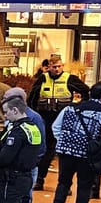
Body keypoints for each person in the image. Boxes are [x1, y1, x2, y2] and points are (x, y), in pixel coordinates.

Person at [49, 82, 101, 203]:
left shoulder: (70, 108)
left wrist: (62, 139)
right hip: (87, 153)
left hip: (66, 150)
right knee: (84, 185)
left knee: (63, 181)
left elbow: (56, 126)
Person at [28, 54, 89, 190]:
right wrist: (32, 114)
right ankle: (40, 179)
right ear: (49, 67)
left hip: (64, 119)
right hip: (46, 118)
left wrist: (79, 107)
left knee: (66, 152)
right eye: (54, 67)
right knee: (46, 150)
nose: (57, 69)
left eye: (59, 66)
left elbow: (85, 91)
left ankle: (65, 185)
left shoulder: (69, 78)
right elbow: (32, 96)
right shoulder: (43, 79)